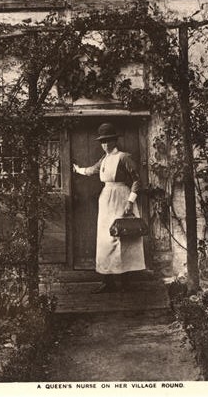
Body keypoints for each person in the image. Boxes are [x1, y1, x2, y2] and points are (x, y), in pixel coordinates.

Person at [73, 122, 146, 293]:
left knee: (123, 236)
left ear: (115, 141)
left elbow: (137, 180)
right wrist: (78, 170)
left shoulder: (123, 157)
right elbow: (92, 170)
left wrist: (130, 201)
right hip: (106, 198)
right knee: (106, 239)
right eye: (102, 142)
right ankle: (108, 281)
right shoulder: (104, 159)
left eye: (108, 141)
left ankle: (126, 281)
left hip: (121, 197)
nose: (105, 145)